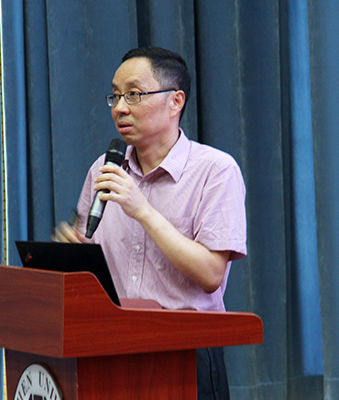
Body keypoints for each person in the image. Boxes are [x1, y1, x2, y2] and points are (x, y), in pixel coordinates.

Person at [54, 46, 246, 400]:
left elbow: (210, 275)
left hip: (184, 354)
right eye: (115, 96)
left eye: (134, 94)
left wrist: (143, 211)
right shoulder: (104, 168)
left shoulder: (215, 171)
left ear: (175, 102)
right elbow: (91, 274)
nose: (119, 107)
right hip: (111, 349)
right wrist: (72, 256)